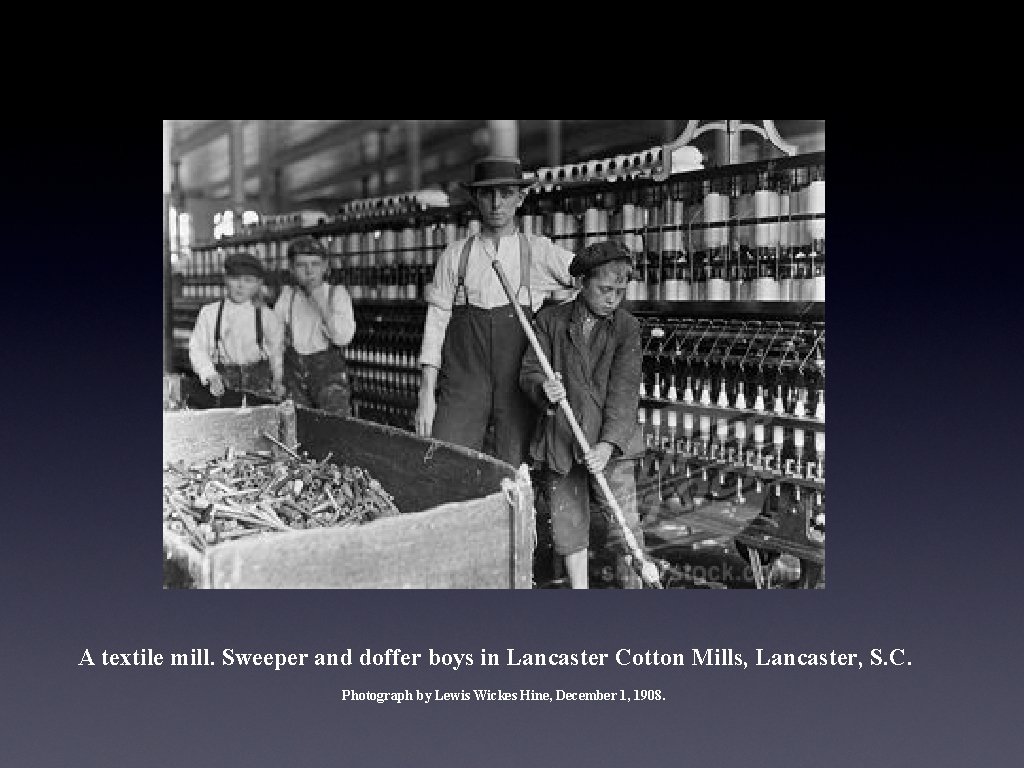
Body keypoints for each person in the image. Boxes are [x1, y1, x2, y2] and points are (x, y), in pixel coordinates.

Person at [415, 155, 575, 466]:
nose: (496, 204)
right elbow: (435, 325)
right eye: (487, 194)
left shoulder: (538, 251)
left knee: (515, 471)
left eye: (506, 194)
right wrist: (426, 396)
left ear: (521, 197)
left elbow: (590, 275)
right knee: (448, 461)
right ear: (475, 198)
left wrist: (558, 334)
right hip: (464, 383)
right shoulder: (455, 255)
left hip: (518, 385)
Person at [519, 240, 645, 589]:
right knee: (568, 527)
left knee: (625, 526)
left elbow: (624, 393)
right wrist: (544, 388)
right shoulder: (549, 321)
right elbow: (530, 371)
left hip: (611, 446)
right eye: (605, 289)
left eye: (620, 291)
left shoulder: (626, 328)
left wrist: (607, 446)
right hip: (562, 438)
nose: (613, 299)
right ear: (581, 283)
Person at [188, 251, 286, 406]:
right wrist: (210, 375)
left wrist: (278, 381)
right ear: (225, 279)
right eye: (235, 279)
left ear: (259, 284)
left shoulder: (267, 316)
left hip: (259, 389)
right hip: (222, 387)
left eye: (248, 280)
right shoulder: (210, 313)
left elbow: (276, 353)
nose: (241, 286)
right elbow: (197, 349)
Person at [274, 235, 355, 415]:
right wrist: (277, 378)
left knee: (335, 424)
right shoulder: (288, 296)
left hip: (328, 377)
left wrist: (323, 306)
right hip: (294, 376)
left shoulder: (336, 294)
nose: (309, 271)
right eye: (302, 265)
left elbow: (343, 338)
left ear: (325, 267)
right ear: (292, 268)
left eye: (315, 264)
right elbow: (274, 339)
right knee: (296, 426)